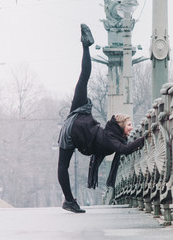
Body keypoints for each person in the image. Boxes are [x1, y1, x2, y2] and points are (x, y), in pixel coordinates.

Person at [57, 24, 145, 213]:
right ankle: (69, 201)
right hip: (74, 130)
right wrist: (145, 139)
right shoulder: (112, 138)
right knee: (62, 166)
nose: (131, 128)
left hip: (80, 115)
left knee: (83, 79)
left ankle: (85, 46)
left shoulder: (109, 132)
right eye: (129, 126)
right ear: (120, 126)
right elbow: (125, 149)